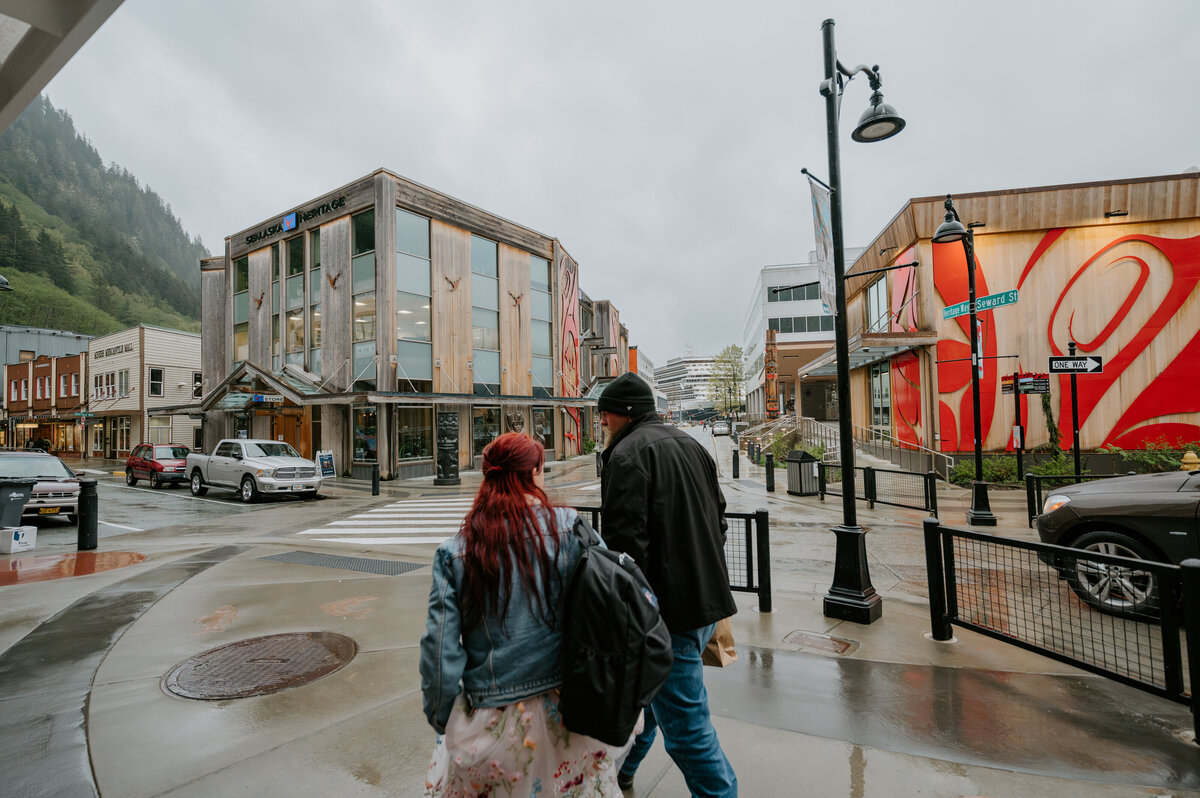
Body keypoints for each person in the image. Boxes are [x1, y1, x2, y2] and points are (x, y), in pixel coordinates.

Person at [419, 432, 636, 796]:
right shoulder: (571, 529)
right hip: (570, 713)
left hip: (492, 720)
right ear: (533, 473)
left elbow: (438, 649)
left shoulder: (457, 550)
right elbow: (613, 607)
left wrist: (445, 719)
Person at [598, 372, 738, 797]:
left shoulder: (625, 456)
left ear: (622, 414)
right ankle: (622, 772)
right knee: (653, 702)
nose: (602, 426)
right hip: (704, 604)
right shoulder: (692, 445)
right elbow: (720, 519)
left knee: (688, 734)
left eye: (604, 418)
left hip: (664, 616)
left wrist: (627, 621)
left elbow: (624, 554)